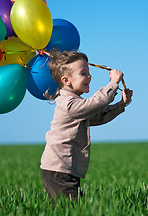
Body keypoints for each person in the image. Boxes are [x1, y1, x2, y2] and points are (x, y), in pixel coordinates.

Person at [40, 49, 133, 201]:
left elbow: (98, 116)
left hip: (63, 168)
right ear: (66, 80)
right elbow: (95, 104)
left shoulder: (76, 104)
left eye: (88, 72)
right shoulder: (68, 104)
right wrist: (113, 83)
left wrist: (121, 104)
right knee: (72, 208)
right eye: (83, 73)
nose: (89, 76)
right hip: (58, 169)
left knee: (64, 207)